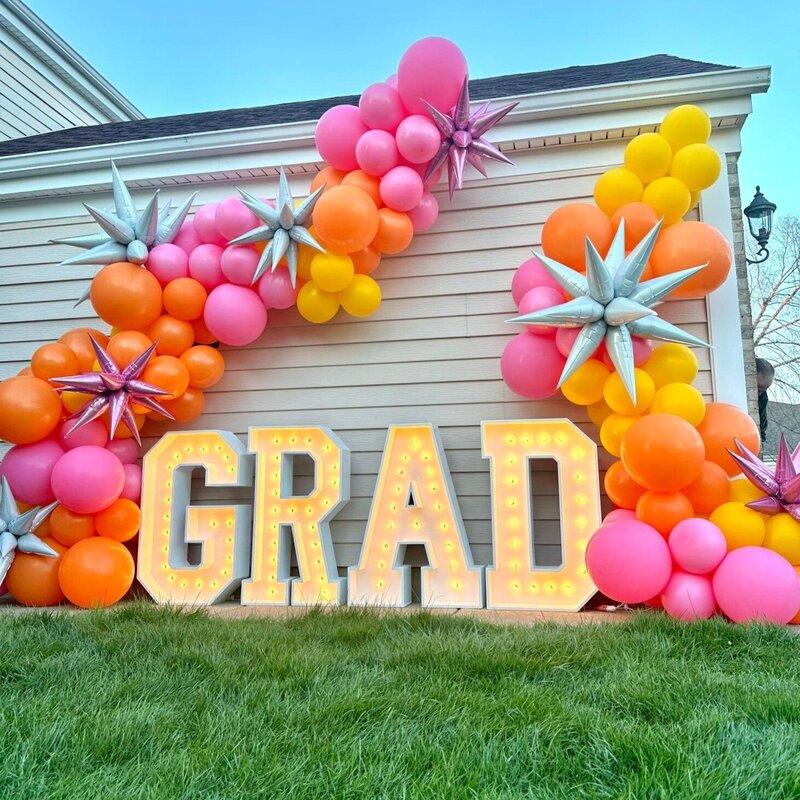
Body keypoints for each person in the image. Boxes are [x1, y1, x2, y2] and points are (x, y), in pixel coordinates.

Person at [756, 358, 775, 444]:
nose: (760, 394)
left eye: (764, 390)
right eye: (758, 388)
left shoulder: (763, 398)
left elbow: (761, 430)